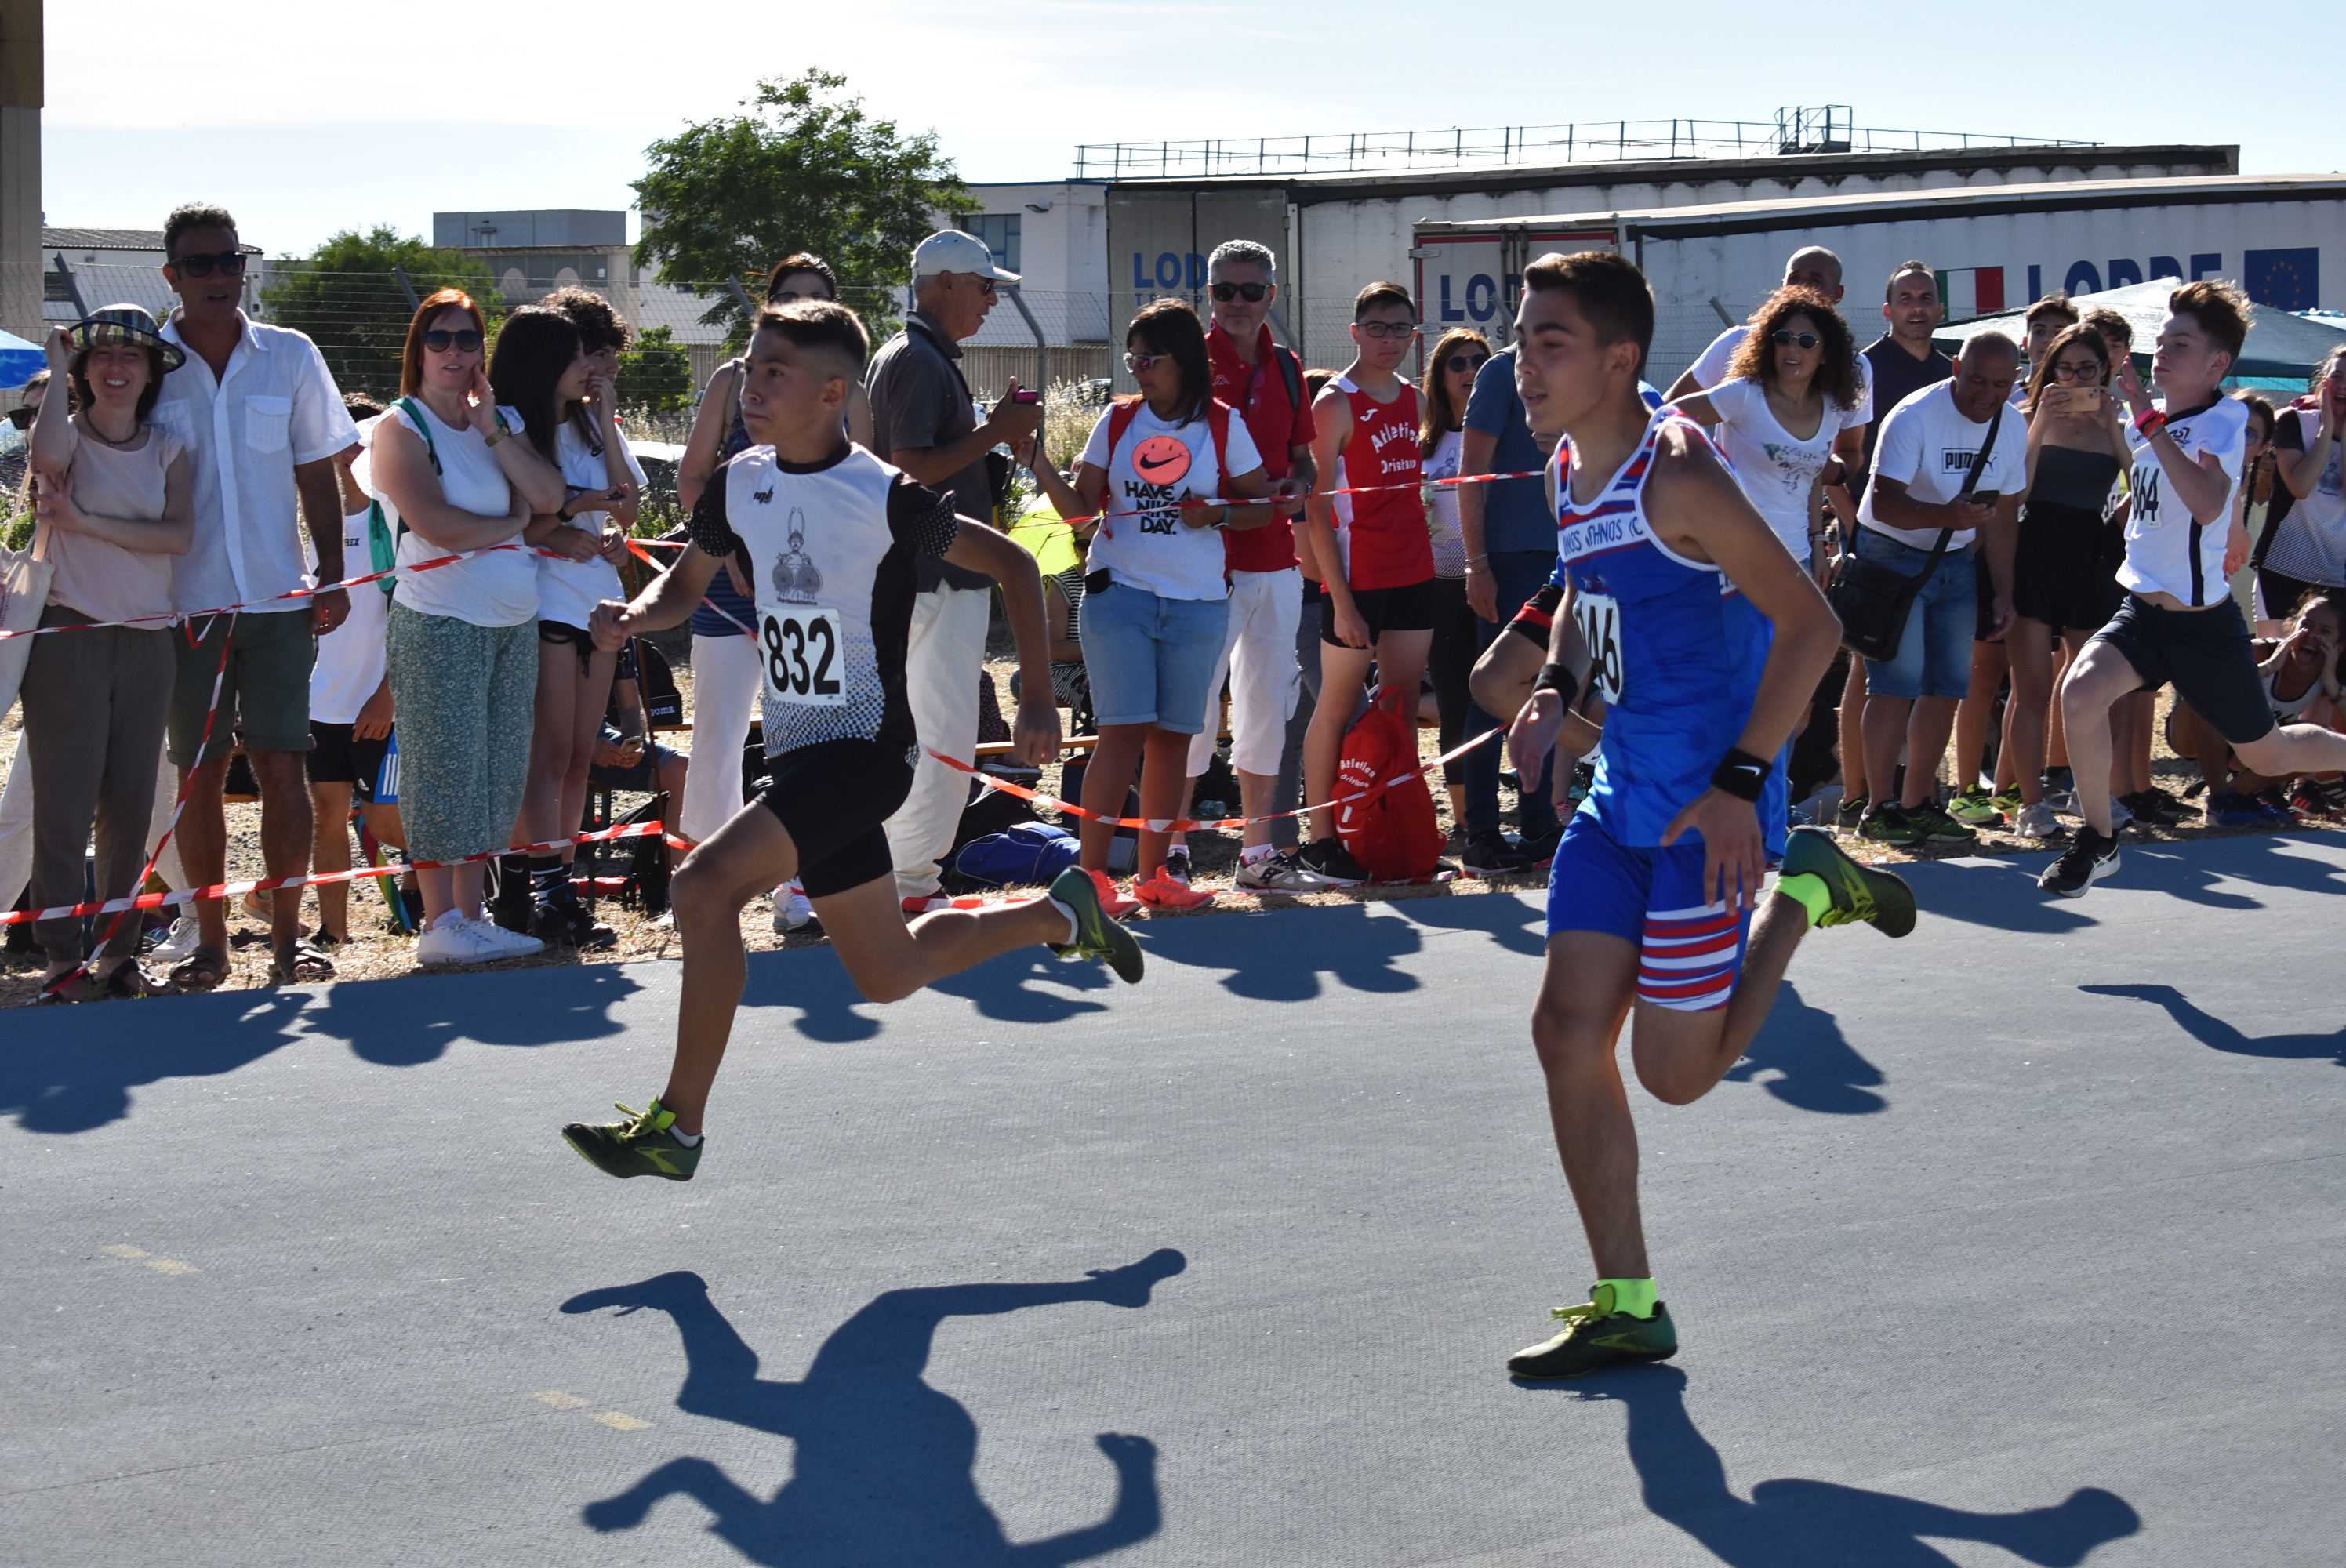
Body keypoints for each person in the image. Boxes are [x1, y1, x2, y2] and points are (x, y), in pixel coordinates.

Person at [559, 300, 1135, 1181]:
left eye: (773, 372)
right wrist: (631, 615)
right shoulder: (740, 482)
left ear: (833, 392)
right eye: (749, 368)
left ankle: (678, 1127)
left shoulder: (885, 496)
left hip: (865, 753)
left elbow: (1015, 564)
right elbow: (683, 586)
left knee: (703, 887)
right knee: (889, 971)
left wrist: (1036, 699)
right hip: (799, 752)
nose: (750, 387)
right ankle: (1059, 914)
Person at [1496, 250, 1912, 1381]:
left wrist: (1739, 785)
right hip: (1618, 797)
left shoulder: (1677, 471)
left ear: (1619, 358)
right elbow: (1586, 596)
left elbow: (1813, 627)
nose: (1524, 364)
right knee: (1565, 1035)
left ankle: (1807, 891)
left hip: (1706, 810)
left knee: (1674, 1076)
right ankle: (1628, 1302)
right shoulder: (1566, 470)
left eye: (1549, 343)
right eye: (1522, 340)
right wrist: (1557, 688)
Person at [2046, 281, 2346, 897]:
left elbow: (2207, 498)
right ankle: (2099, 840)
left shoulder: (2223, 417)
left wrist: (2151, 425)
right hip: (2141, 612)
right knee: (2079, 694)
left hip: (2201, 626)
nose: (2162, 351)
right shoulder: (2147, 421)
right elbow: (2180, 503)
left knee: (2267, 755)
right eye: (2161, 340)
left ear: (2217, 363)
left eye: (2180, 344)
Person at [151, 203, 361, 990]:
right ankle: (209, 944)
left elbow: (317, 470)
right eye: (199, 264)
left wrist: (332, 573)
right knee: (199, 775)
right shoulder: (147, 363)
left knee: (283, 765)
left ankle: (286, 941)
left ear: (244, 268)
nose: (218, 276)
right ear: (172, 276)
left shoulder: (291, 354)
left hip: (280, 601)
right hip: (186, 608)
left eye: (229, 260)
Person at [1025, 299, 1272, 905]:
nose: (1138, 368)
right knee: (1121, 733)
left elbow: (1262, 507)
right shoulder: (1117, 420)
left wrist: (1218, 513)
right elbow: (1081, 514)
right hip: (1121, 597)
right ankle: (1091, 880)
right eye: (1131, 357)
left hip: (1198, 605)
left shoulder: (1223, 425)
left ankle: (1155, 878)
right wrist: (1037, 463)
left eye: (1149, 358)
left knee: (1172, 740)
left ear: (1183, 359)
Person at [369, 291, 566, 962]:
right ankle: (438, 923)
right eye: (439, 339)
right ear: (418, 350)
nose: (454, 351)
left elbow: (549, 497)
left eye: (467, 339)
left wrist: (491, 428)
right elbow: (437, 524)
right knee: (443, 770)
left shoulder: (499, 420)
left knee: (495, 772)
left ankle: (471, 916)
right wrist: (513, 525)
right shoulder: (401, 427)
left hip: (512, 620)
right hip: (440, 621)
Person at [866, 231, 1046, 914]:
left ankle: (903, 879)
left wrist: (991, 439)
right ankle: (911, 884)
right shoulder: (918, 358)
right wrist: (995, 432)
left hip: (926, 575)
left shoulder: (913, 354)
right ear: (944, 283)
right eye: (984, 284)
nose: (992, 299)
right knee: (942, 736)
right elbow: (908, 469)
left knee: (925, 733)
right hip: (935, 576)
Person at [19, 310, 193, 1002]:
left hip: (149, 641)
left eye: (132, 357)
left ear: (151, 374)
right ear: (84, 370)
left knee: (131, 802)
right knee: (63, 804)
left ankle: (117, 952)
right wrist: (56, 364)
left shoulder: (168, 447)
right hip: (70, 636)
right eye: (102, 356)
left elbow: (177, 536)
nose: (116, 368)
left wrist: (85, 522)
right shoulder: (66, 434)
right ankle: (61, 956)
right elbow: (46, 459)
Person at [676, 253, 873, 856]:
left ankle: (803, 881)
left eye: (815, 299)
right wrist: (729, 552)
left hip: (810, 598)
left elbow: (864, 493)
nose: (799, 310)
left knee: (812, 739)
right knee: (718, 738)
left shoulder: (850, 393)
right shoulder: (732, 381)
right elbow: (693, 479)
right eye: (788, 298)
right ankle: (706, 876)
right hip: (728, 592)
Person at [1177, 239, 1327, 893]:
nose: (1237, 302)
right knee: (1192, 711)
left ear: (1272, 295)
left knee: (1268, 709)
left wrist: (1298, 486)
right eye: (1224, 290)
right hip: (1203, 568)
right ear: (1208, 295)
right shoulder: (1187, 363)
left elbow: (1305, 460)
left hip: (1276, 563)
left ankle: (1258, 855)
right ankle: (1173, 852)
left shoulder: (1288, 366)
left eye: (1250, 290)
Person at [503, 289, 644, 948]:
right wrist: (560, 527)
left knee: (581, 757)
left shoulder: (594, 423)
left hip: (600, 601)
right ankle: (539, 890)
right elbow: (517, 521)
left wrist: (607, 424)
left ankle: (559, 886)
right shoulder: (519, 425)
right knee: (551, 754)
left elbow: (627, 508)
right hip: (546, 604)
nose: (599, 370)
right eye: (590, 356)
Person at [1851, 335, 2028, 848]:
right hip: (1892, 557)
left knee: (1947, 687)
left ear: (2016, 382)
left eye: (2001, 384)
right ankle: (1878, 809)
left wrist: (2005, 592)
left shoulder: (2012, 425)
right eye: (1977, 380)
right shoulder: (1914, 416)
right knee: (1894, 685)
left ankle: (1918, 804)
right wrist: (1945, 515)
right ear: (1956, 368)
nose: (1986, 395)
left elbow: (2003, 515)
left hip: (1956, 562)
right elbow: (1882, 504)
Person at [1293, 283, 1437, 887]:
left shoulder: (1415, 398)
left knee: (1399, 708)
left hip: (1414, 572)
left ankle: (1393, 829)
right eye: (1376, 328)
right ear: (1355, 332)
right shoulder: (1335, 403)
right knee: (1335, 708)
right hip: (1359, 578)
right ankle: (1323, 843)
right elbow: (1316, 509)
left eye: (1400, 329)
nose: (1388, 339)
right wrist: (1343, 599)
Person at [1990, 325, 2133, 841]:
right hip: (2035, 550)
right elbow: (2017, 492)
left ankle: (2092, 792)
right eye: (2063, 368)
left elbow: (2146, 487)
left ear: (2104, 371)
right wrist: (2042, 421)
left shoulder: (2113, 423)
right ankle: (2030, 804)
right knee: (2031, 689)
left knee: (2098, 684)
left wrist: (2113, 427)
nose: (2073, 379)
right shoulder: (2027, 418)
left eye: (2086, 369)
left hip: (2090, 554)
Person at [1836, 263, 1952, 823]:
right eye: (1905, 298)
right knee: (1870, 666)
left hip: (1940, 546)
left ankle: (1917, 792)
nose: (1917, 307)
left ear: (1941, 309)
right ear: (1887, 310)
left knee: (1928, 675)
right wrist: (1853, 530)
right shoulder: (1864, 369)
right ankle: (1858, 793)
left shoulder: (1954, 374)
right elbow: (1836, 460)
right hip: (1876, 540)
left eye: (1926, 298)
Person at [1455, 333, 1567, 875]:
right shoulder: (1501, 372)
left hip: (1569, 558)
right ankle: (1480, 832)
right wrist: (1477, 564)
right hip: (1510, 561)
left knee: (1551, 691)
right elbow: (1470, 474)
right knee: (1492, 695)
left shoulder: (1581, 368)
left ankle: (1539, 824)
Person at [302, 392, 409, 947]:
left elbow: (411, 616)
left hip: (380, 704)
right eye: (339, 441)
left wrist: (388, 695)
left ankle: (458, 885)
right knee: (327, 815)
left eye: (360, 439)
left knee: (387, 822)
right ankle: (334, 933)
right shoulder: (320, 526)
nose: (349, 451)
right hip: (327, 702)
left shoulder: (394, 524)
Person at [1667, 287, 1865, 579]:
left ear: (1826, 354)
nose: (1792, 349)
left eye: (1807, 342)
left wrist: (1818, 545)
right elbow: (1665, 419)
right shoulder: (1744, 395)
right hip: (1735, 560)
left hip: (1798, 559)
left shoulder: (1830, 408)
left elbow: (1811, 476)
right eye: (1783, 338)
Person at [2171, 587, 2342, 824]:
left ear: (2340, 645)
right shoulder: (2260, 651)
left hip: (2247, 750)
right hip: (2194, 734)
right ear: (2293, 627)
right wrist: (2268, 668)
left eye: (2325, 631)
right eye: (2306, 625)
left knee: (2324, 741)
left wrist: (2333, 686)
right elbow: (2205, 685)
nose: (2312, 635)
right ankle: (2222, 801)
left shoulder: (2330, 676)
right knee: (2209, 697)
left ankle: (2229, 799)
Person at [1421, 328, 1493, 828]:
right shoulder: (1423, 443)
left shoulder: (1503, 433)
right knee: (1454, 700)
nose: (1470, 372)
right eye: (1458, 363)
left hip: (1496, 578)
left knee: (1505, 694)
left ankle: (1519, 810)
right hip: (1440, 584)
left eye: (1479, 362)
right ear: (1440, 376)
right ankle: (1467, 821)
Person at [2260, 346, 2346, 622]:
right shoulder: (2293, 421)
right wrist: (2327, 428)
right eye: (2338, 377)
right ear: (2324, 382)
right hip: (2282, 565)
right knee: (2276, 647)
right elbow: (2301, 487)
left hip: (2337, 574)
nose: (2343, 386)